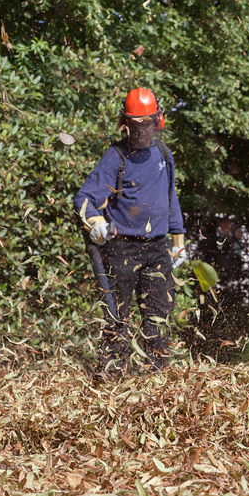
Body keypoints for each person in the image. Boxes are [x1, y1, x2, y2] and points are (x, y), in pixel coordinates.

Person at [73, 88, 187, 374]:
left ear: (157, 122)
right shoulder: (115, 156)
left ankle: (157, 375)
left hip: (158, 248)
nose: (141, 130)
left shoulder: (163, 153)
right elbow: (84, 198)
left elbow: (170, 198)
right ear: (125, 123)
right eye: (136, 125)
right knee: (117, 317)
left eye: (146, 123)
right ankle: (112, 377)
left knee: (158, 316)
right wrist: (96, 223)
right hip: (122, 249)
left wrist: (179, 241)